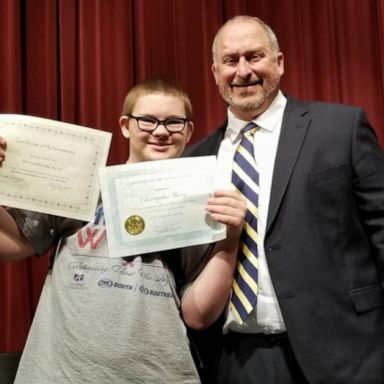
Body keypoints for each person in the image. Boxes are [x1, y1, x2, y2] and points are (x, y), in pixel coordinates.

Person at [178, 15, 384, 384]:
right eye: (231, 60)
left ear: (279, 62)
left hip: (347, 355)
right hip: (233, 361)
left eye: (254, 56)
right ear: (214, 72)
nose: (243, 71)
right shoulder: (194, 161)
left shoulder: (341, 128)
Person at [0, 75, 246, 384]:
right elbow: (8, 244)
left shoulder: (205, 206)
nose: (160, 131)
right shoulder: (82, 187)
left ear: (188, 131)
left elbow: (198, 315)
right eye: (147, 121)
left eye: (173, 122)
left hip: (159, 376)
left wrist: (230, 239)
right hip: (60, 374)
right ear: (125, 125)